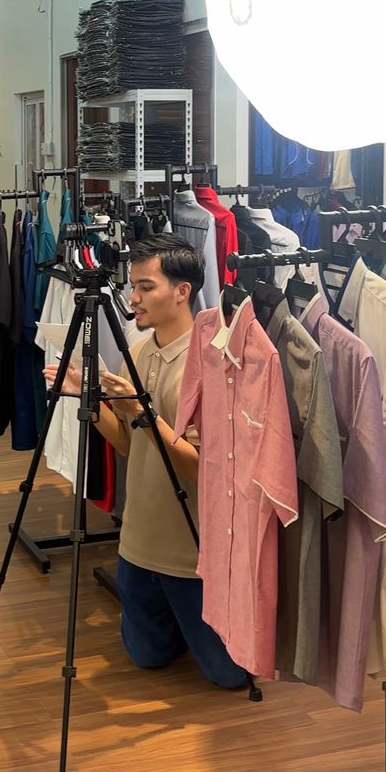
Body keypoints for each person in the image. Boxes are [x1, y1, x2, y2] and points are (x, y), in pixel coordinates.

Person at [44, 233, 247, 690]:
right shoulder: (137, 352)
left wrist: (144, 413)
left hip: (190, 546)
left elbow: (201, 469)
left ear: (182, 291)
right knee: (147, 658)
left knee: (229, 676)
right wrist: (89, 401)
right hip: (138, 540)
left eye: (146, 287)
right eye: (132, 286)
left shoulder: (211, 363)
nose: (133, 298)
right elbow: (130, 446)